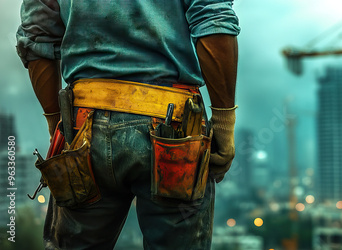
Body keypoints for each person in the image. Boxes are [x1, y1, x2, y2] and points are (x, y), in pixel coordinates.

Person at [16, 0, 240, 249]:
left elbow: (36, 37)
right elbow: (213, 17)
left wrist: (57, 125)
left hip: (85, 133)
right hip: (174, 134)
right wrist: (223, 122)